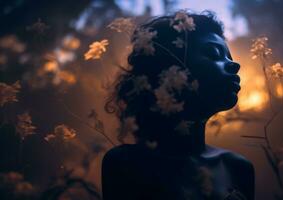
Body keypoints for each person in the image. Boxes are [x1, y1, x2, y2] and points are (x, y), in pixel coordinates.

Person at [102, 10, 254, 200]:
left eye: (230, 57)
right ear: (167, 67)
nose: (234, 65)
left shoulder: (238, 168)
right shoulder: (126, 164)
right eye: (215, 53)